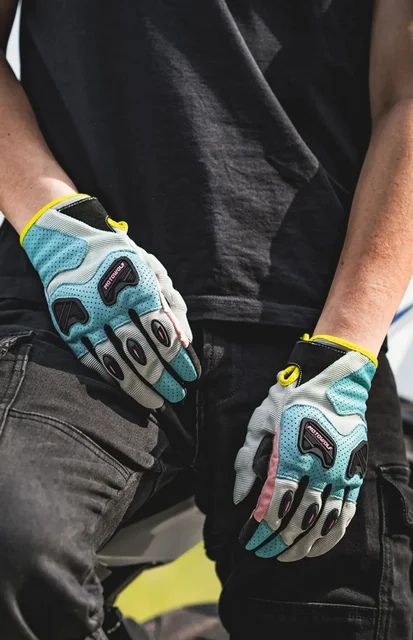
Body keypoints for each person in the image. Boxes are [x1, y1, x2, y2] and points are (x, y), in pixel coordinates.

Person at [0, 0, 413, 638]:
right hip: (79, 295)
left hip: (313, 327)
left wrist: (346, 353)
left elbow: (406, 97)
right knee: (13, 542)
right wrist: (54, 222)